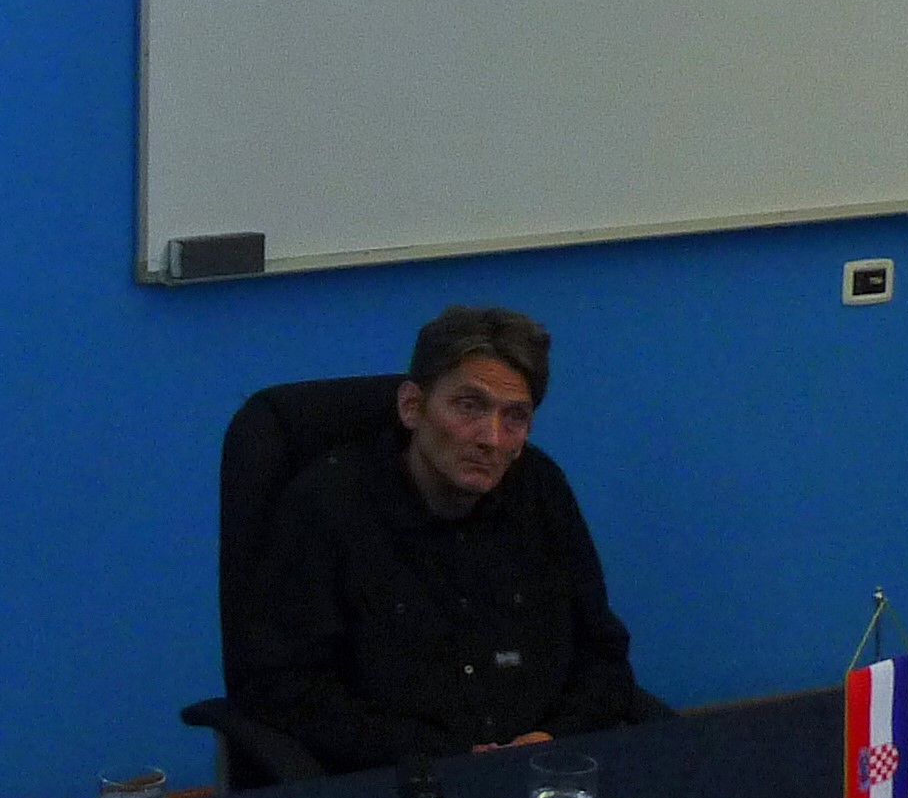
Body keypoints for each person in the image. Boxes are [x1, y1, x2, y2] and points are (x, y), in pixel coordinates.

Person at [233, 305, 651, 770]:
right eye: (470, 407)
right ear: (412, 406)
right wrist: (446, 758)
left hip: (542, 768)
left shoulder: (540, 490)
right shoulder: (329, 505)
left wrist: (552, 738)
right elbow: (284, 688)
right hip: (397, 778)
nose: (492, 438)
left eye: (515, 417)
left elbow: (602, 655)